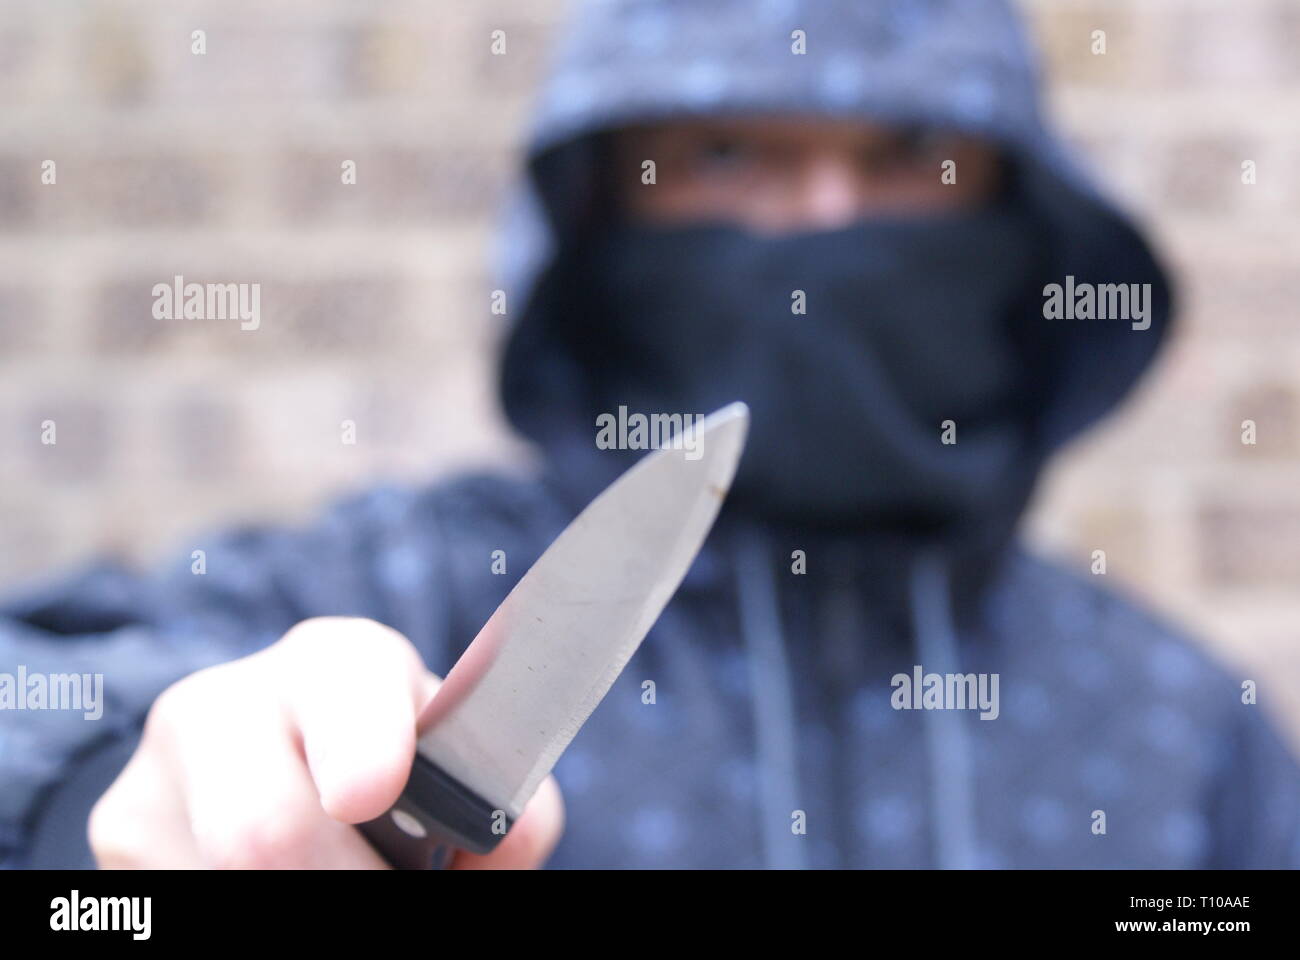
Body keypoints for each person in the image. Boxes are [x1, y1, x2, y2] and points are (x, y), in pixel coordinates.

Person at [4, 0, 1299, 869]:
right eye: (731, 151)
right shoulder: (402, 605)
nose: (823, 225)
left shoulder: (1185, 731)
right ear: (605, 208)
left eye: (909, 155)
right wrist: (101, 815)